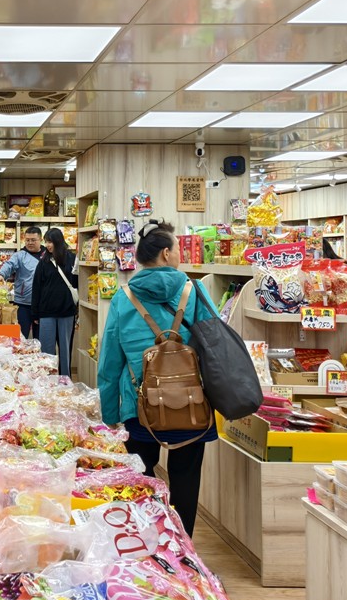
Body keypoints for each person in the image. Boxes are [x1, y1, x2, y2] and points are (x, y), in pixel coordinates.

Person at [97, 220, 218, 536]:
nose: (180, 253)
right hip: (191, 404)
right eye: (177, 248)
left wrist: (110, 418)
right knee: (186, 481)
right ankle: (183, 550)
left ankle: (147, 545)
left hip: (140, 406)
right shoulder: (195, 290)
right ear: (166, 253)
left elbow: (109, 362)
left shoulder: (123, 297)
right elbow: (216, 348)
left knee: (140, 479)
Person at [32, 228, 78, 376]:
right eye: (46, 241)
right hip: (46, 312)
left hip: (67, 311)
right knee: (46, 351)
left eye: (50, 241)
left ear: (58, 241)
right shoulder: (44, 262)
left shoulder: (72, 259)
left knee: (65, 349)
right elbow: (37, 288)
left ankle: (65, 380)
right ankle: (48, 381)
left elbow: (78, 283)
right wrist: (35, 313)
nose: (48, 245)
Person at [0, 227, 48, 339]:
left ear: (41, 239)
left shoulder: (48, 255)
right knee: (20, 337)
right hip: (23, 304)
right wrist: (0, 275)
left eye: (33, 240)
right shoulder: (20, 255)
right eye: (27, 240)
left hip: (43, 304)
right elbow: (8, 265)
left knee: (41, 339)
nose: (30, 243)